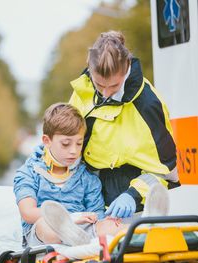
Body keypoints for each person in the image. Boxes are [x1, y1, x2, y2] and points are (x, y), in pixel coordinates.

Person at [69, 30, 180, 219]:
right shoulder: (84, 90)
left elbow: (166, 173)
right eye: (99, 85)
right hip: (90, 197)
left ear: (127, 68)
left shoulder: (148, 104)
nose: (105, 94)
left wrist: (132, 195)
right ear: (89, 67)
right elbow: (66, 136)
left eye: (113, 86)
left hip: (137, 206)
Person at [14, 103, 123, 248]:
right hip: (43, 233)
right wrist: (72, 218)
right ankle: (74, 238)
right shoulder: (28, 173)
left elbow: (97, 216)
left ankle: (147, 227)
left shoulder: (87, 177)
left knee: (111, 226)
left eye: (79, 144)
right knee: (44, 225)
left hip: (82, 230)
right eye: (66, 144)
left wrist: (106, 222)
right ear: (47, 141)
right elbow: (28, 213)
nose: (73, 151)